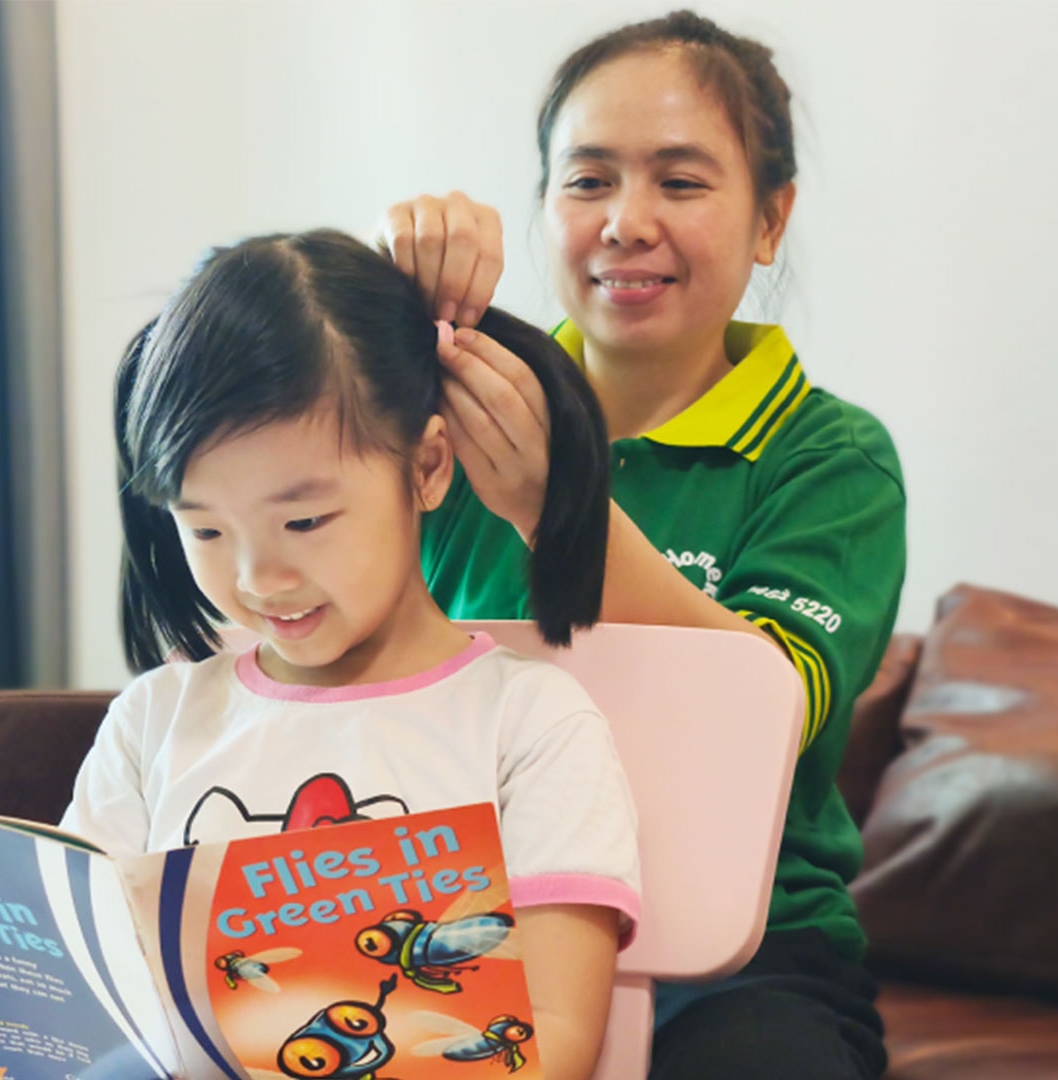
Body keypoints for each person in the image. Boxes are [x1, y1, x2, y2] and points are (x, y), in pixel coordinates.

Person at [379, 11, 904, 1079]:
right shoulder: (443, 415)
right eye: (586, 181)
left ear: (770, 219)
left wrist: (556, 507)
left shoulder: (830, 456)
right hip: (459, 918)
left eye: (679, 181)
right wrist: (380, 314)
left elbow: (767, 708)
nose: (624, 222)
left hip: (743, 954)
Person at [61, 229, 641, 1080]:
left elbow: (553, 1036)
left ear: (428, 466)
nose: (259, 576)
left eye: (304, 522)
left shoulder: (530, 723)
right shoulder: (153, 722)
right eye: (206, 529)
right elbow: (76, 989)